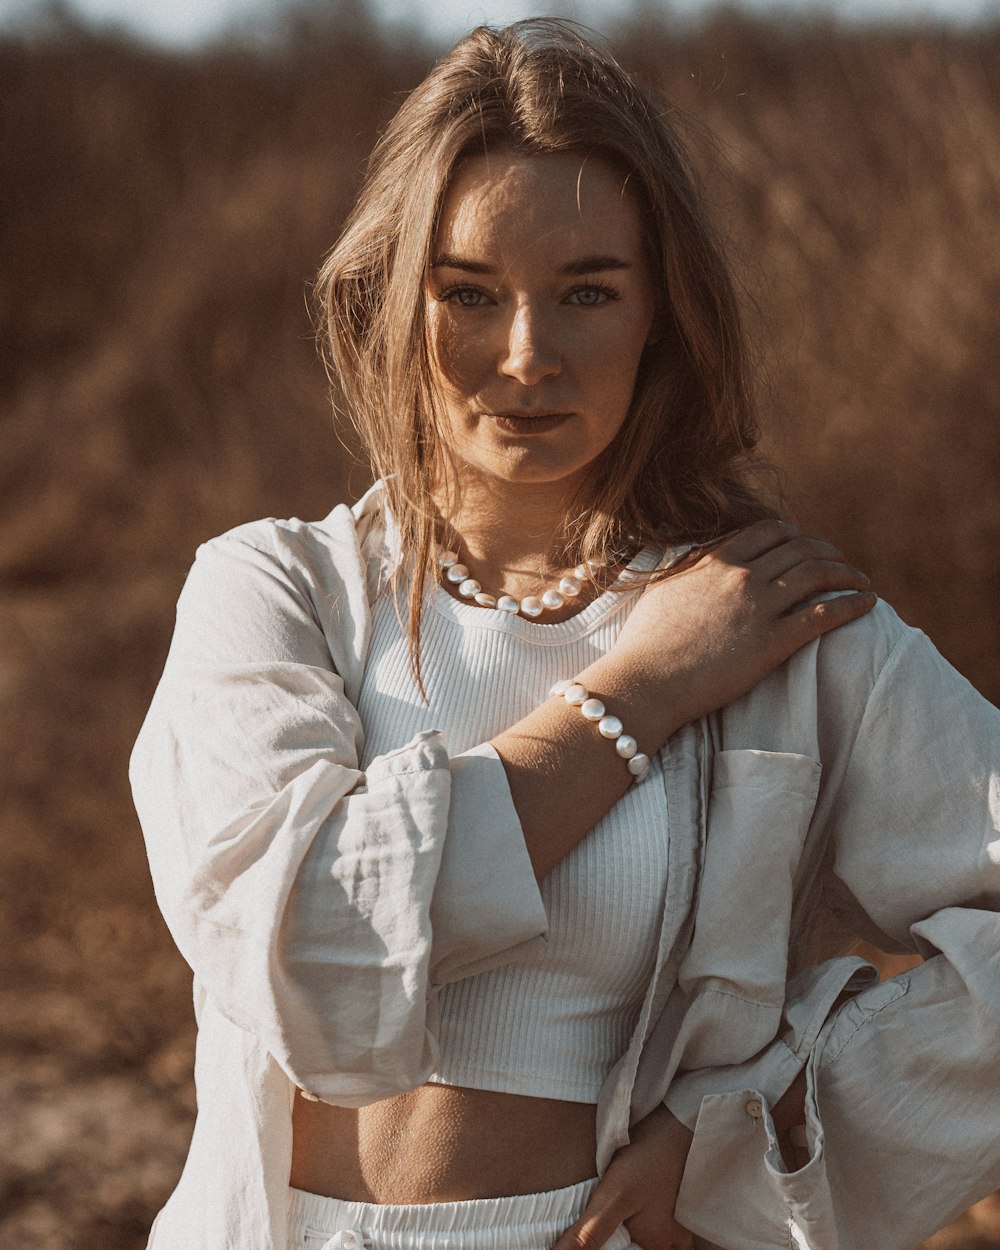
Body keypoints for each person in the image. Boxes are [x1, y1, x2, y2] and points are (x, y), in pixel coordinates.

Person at [130, 19, 1000, 1250]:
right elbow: (311, 940)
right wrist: (636, 691)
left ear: (664, 314)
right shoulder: (279, 591)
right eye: (468, 294)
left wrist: (751, 1121)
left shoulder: (771, 623)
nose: (525, 356)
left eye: (587, 291)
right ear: (391, 304)